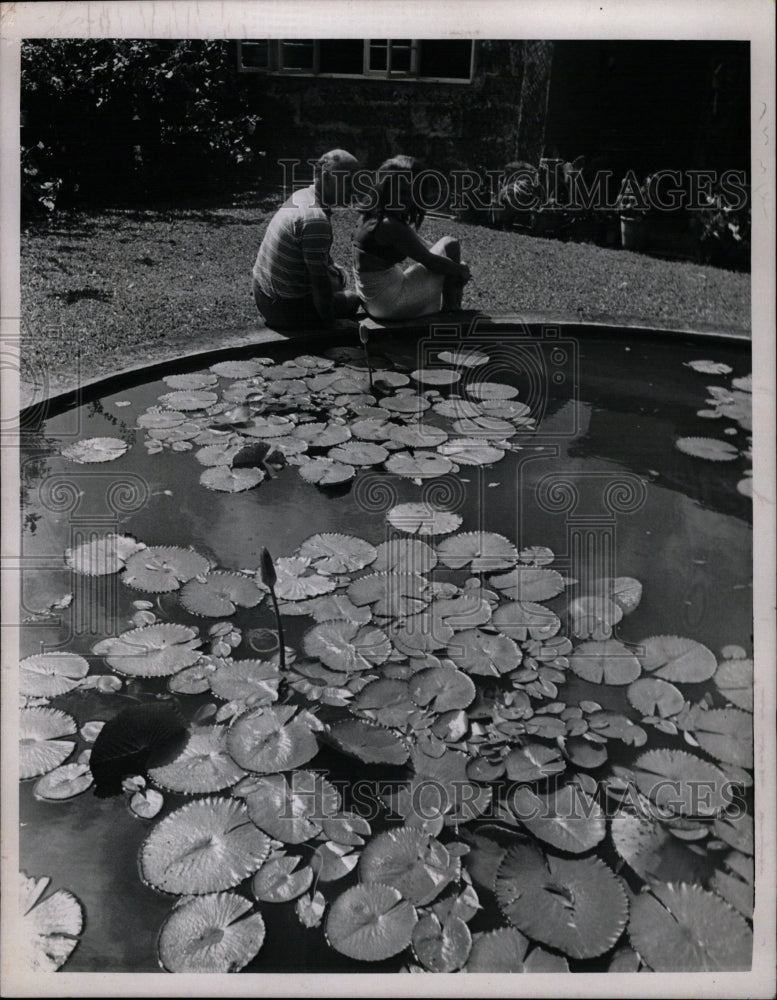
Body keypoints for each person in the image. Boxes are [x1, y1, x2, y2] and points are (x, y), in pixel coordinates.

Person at [252, 149, 362, 330]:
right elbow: (319, 283)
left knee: (337, 277)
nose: (354, 188)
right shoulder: (316, 220)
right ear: (326, 178)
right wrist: (332, 324)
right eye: (348, 181)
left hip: (262, 293)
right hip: (281, 308)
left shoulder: (302, 196)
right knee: (352, 299)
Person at [352, 155, 471, 321]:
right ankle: (452, 310)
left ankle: (452, 308)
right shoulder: (389, 224)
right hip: (389, 304)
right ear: (385, 189)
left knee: (448, 256)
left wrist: (454, 266)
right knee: (451, 244)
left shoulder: (374, 214)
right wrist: (460, 271)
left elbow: (421, 244)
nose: (407, 198)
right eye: (401, 192)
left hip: (374, 301)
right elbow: (432, 261)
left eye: (413, 192)